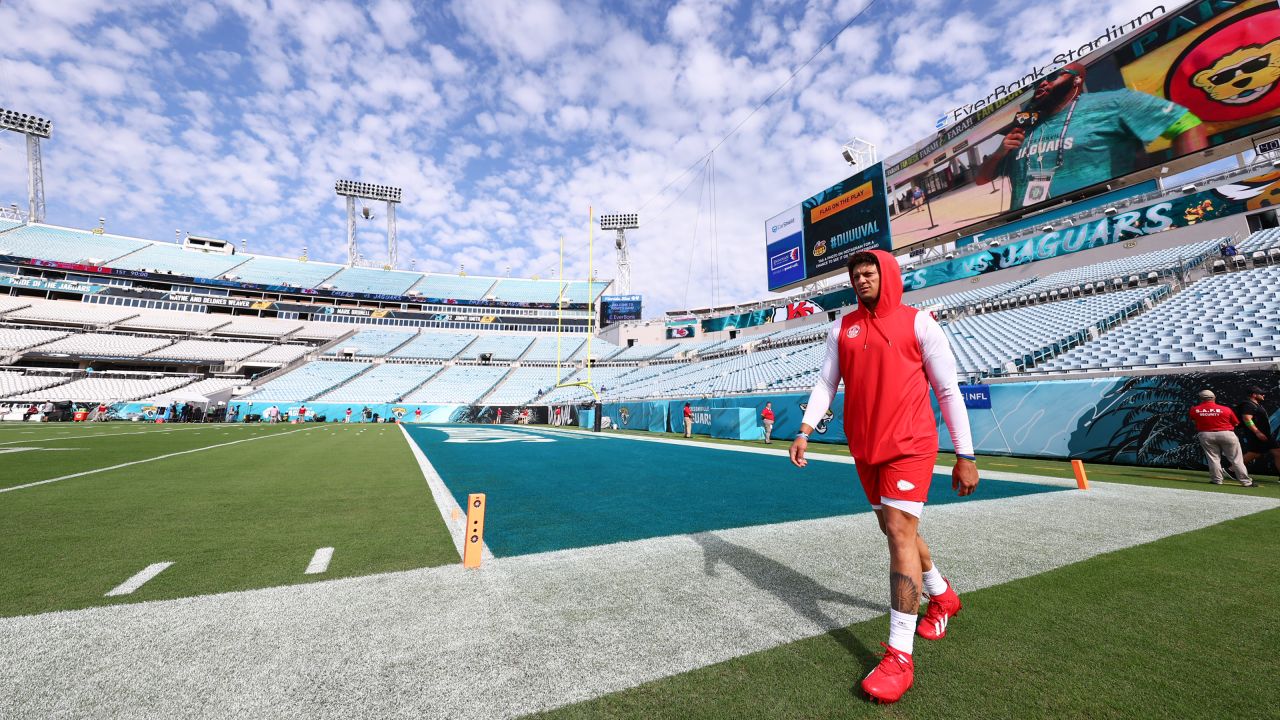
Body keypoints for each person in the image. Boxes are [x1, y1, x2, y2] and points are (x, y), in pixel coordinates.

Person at [790, 249, 977, 704]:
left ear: (887, 274)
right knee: (896, 529)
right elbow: (825, 383)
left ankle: (899, 656)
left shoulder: (920, 323)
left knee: (898, 530)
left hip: (910, 445)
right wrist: (805, 429)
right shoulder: (841, 328)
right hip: (865, 448)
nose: (861, 279)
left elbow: (947, 390)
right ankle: (943, 595)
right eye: (855, 274)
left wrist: (965, 454)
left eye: (869, 272)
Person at [976, 63, 1208, 211]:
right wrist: (999, 154)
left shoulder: (1114, 102)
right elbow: (982, 179)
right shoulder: (1026, 126)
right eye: (1038, 81)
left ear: (1077, 80)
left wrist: (1187, 190)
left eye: (1054, 75)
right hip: (1029, 234)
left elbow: (1188, 124)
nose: (1043, 83)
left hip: (1107, 220)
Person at [1189, 389, 1254, 487]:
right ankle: (1246, 482)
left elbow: (1194, 421)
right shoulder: (1225, 409)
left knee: (1213, 458)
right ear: (1214, 398)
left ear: (1201, 399)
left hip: (1206, 435)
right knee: (1236, 459)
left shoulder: (1195, 409)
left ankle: (1217, 480)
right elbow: (1236, 423)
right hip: (1226, 434)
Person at [1237, 386, 1279, 482]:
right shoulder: (1248, 405)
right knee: (1254, 453)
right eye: (1261, 393)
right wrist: (1257, 432)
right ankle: (1231, 469)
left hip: (1266, 434)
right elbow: (1247, 419)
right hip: (1256, 434)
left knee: (1277, 452)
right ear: (1254, 395)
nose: (1263, 395)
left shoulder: (1256, 404)